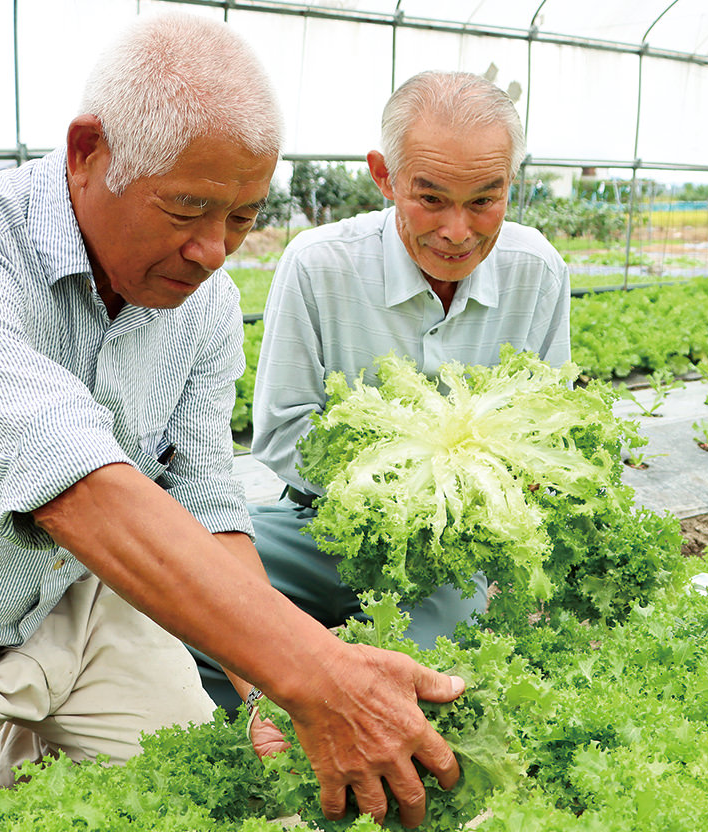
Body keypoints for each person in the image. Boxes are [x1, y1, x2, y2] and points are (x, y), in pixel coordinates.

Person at [0, 13, 464, 829]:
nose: (214, 251)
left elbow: (204, 495)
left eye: (240, 217)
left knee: (219, 814)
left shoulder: (205, 302)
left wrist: (265, 679)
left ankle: (15, 744)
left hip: (83, 613)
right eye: (187, 208)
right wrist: (314, 669)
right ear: (88, 152)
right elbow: (71, 482)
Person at [194, 70, 570, 711]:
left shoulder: (537, 272)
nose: (458, 230)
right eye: (431, 199)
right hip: (325, 525)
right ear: (385, 176)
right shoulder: (319, 264)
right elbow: (283, 432)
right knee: (193, 601)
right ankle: (263, 739)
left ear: (512, 184)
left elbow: (551, 421)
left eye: (486, 200)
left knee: (431, 686)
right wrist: (405, 481)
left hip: (456, 548)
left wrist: (472, 499)